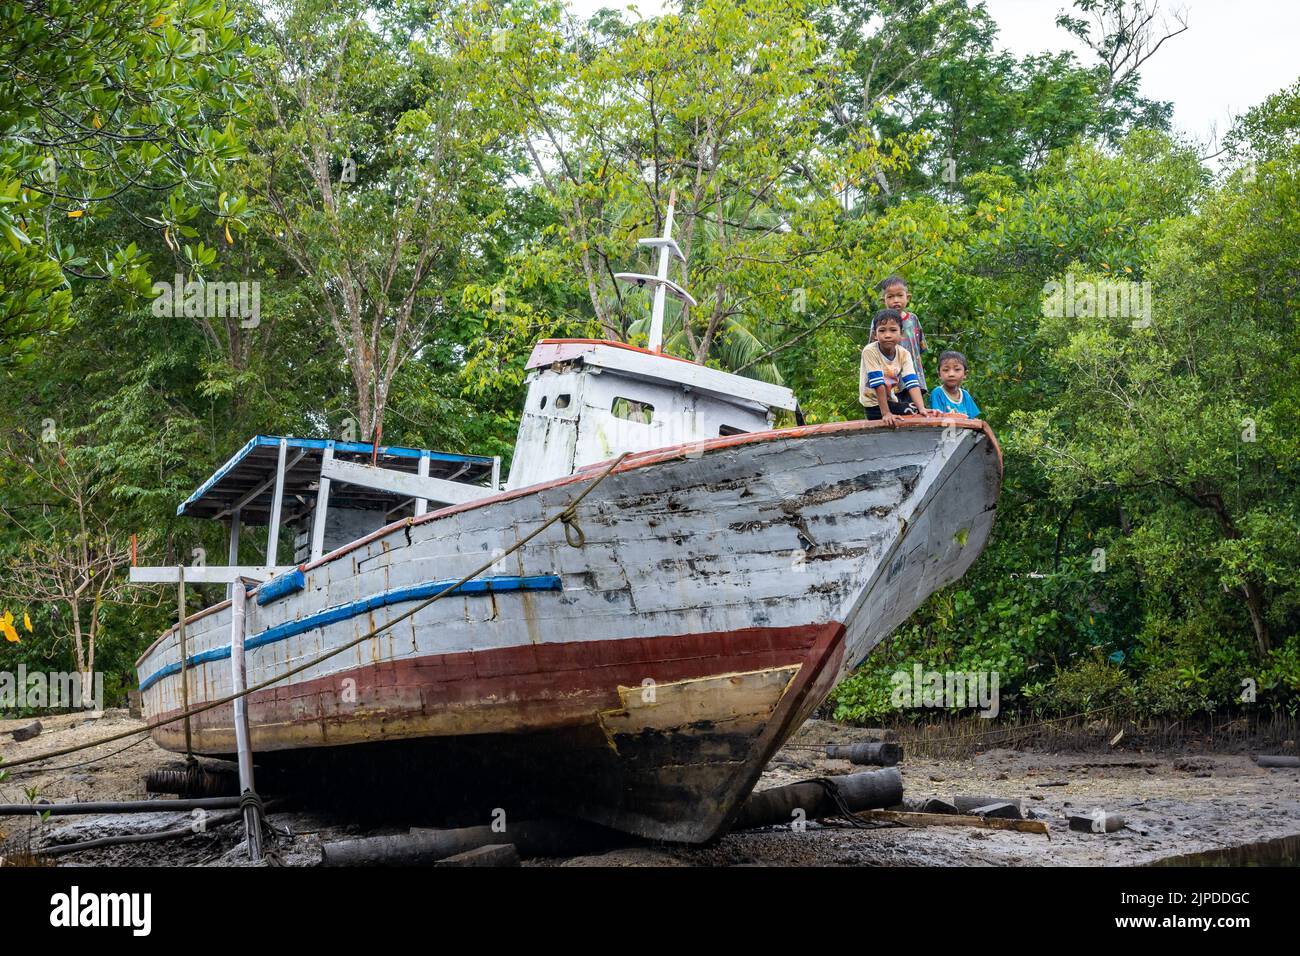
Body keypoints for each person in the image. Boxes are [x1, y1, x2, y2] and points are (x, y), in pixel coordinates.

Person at [860, 309, 930, 425]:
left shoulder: (904, 353)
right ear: (875, 335)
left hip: (891, 401)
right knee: (912, 412)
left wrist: (922, 408)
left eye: (893, 330)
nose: (887, 335)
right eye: (882, 331)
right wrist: (886, 413)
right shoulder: (870, 351)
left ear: (901, 333)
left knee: (921, 411)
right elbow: (878, 384)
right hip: (874, 405)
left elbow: (912, 382)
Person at [876, 275, 929, 398]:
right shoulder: (879, 321)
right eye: (890, 297)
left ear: (907, 297)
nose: (895, 300)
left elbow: (919, 349)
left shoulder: (913, 319)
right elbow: (873, 348)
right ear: (883, 300)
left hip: (913, 377)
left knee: (914, 412)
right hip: (890, 378)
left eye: (900, 295)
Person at [929, 350, 981, 419]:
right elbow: (938, 418)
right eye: (946, 370)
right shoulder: (937, 393)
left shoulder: (965, 395)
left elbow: (973, 419)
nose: (951, 374)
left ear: (965, 374)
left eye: (957, 369)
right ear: (939, 374)